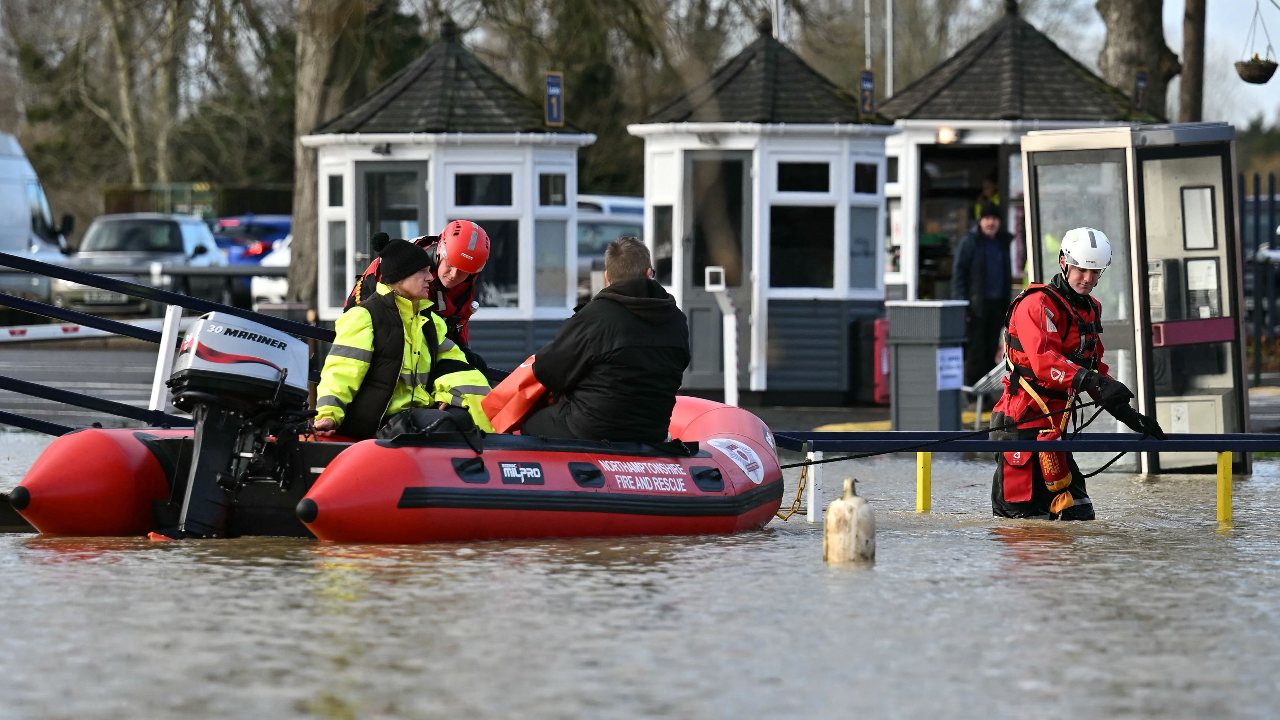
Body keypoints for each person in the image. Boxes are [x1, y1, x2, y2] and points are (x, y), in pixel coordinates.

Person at [989, 227, 1165, 520]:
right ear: (1064, 263)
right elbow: (1044, 362)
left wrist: (1126, 413)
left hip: (1053, 429)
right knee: (1023, 527)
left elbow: (1092, 367)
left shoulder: (1090, 309)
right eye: (1082, 270)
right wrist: (1093, 380)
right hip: (1021, 425)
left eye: (1095, 272)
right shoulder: (1036, 304)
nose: (1088, 279)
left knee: (1078, 514)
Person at [315, 239, 494, 440]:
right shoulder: (364, 316)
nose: (430, 277)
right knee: (445, 424)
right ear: (401, 276)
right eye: (423, 272)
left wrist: (450, 397)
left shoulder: (430, 320)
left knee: (461, 419)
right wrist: (328, 415)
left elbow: (453, 367)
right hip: (379, 421)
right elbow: (341, 371)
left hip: (415, 413)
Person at [522, 237, 690, 443]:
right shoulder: (677, 320)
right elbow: (679, 367)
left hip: (592, 430)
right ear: (648, 273)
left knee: (530, 424)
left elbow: (547, 371)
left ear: (607, 276)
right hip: (652, 432)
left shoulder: (594, 317)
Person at [344, 220, 507, 384]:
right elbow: (394, 320)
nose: (454, 275)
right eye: (450, 265)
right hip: (374, 322)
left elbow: (456, 318)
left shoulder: (467, 278)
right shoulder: (409, 268)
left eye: (463, 271)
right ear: (440, 251)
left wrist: (463, 349)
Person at [953, 202, 1014, 385]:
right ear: (980, 221)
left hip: (997, 305)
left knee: (991, 350)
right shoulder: (970, 242)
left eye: (994, 219)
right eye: (987, 218)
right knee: (976, 350)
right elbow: (959, 275)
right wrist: (962, 305)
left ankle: (986, 391)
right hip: (976, 307)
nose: (990, 223)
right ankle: (973, 390)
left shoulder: (1003, 242)